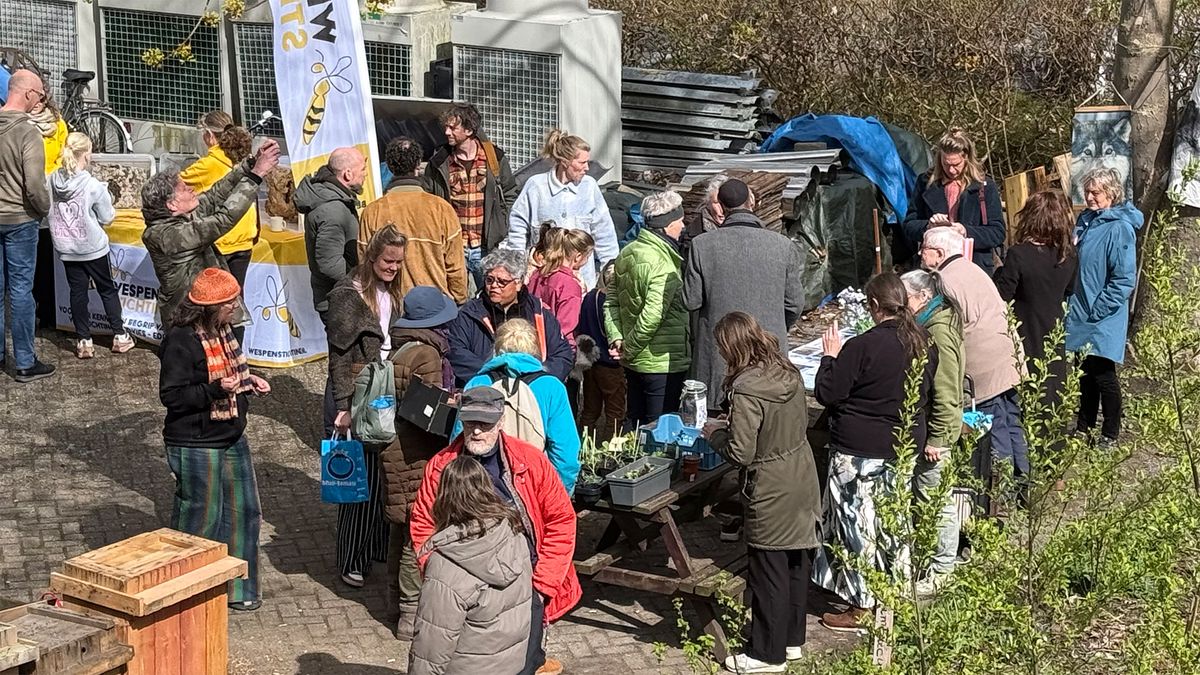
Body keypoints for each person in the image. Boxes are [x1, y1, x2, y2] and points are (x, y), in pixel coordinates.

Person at [410, 386, 582, 675]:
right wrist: (438, 572)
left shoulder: (530, 461)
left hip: (523, 586)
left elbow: (562, 520)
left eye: (485, 424)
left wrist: (542, 585)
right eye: (470, 423)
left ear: (501, 421)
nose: (476, 431)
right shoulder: (441, 467)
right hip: (463, 588)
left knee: (525, 664)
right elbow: (422, 524)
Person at [811, 273, 935, 631]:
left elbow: (828, 393)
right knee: (892, 522)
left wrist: (829, 358)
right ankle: (894, 594)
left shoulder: (863, 346)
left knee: (856, 525)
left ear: (874, 306)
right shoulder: (925, 342)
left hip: (860, 448)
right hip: (903, 444)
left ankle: (861, 604)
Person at [701, 312, 821, 673]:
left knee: (768, 568)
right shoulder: (786, 371)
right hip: (802, 473)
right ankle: (791, 639)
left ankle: (767, 655)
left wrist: (714, 433)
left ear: (731, 348)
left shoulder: (747, 386)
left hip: (771, 485)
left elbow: (742, 452)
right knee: (796, 561)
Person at [158, 268, 269, 611]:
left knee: (244, 511)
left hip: (231, 433)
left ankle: (238, 589)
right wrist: (213, 390)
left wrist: (251, 382)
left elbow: (233, 373)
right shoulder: (181, 340)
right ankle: (188, 593)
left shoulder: (225, 330)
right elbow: (172, 396)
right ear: (210, 307)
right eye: (229, 302)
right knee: (201, 517)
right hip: (195, 440)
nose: (235, 306)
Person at [325, 225, 408, 588]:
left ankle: (374, 549)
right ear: (372, 256)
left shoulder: (392, 289)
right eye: (388, 261)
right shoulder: (348, 295)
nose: (393, 267)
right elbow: (338, 359)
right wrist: (342, 408)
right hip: (358, 392)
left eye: (399, 262)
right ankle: (351, 559)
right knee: (359, 482)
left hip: (384, 389)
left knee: (382, 476)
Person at [379, 285, 460, 640]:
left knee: (400, 528)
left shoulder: (401, 348)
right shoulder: (426, 355)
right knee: (419, 533)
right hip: (416, 455)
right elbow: (426, 413)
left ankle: (393, 603)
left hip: (393, 451)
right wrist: (453, 406)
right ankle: (411, 618)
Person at [920, 226, 1028, 484]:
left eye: (923, 249)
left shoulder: (943, 280)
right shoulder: (972, 268)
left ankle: (999, 493)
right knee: (1012, 422)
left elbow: (946, 327)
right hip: (1009, 355)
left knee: (993, 429)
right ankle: (1024, 481)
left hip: (984, 365)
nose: (920, 255)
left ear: (938, 253)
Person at [683, 178, 803, 409]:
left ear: (722, 207)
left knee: (717, 427)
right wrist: (775, 327)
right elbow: (795, 304)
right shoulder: (782, 245)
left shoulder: (702, 245)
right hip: (769, 354)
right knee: (768, 425)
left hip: (720, 355)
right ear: (752, 203)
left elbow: (691, 300)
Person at [408, 456, 533, 675]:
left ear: (444, 496)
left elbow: (432, 645)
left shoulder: (446, 564)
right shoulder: (515, 535)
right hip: (510, 663)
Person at [141, 139, 280, 328]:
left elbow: (215, 195)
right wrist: (257, 175)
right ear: (172, 204)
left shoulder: (178, 218)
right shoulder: (167, 236)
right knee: (200, 357)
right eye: (184, 188)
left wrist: (250, 164)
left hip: (206, 313)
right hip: (189, 321)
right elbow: (223, 220)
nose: (191, 188)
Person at [455, 319, 581, 494]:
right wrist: (561, 493)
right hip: (532, 487)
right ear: (535, 350)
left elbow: (458, 440)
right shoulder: (551, 387)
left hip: (481, 487)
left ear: (497, 349)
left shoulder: (477, 383)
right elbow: (565, 451)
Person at [900, 269, 966, 594]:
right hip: (932, 429)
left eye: (905, 298)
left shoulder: (937, 331)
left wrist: (939, 437)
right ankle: (930, 562)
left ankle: (942, 571)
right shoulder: (934, 320)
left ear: (923, 297)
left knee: (935, 499)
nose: (901, 305)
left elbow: (947, 387)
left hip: (936, 435)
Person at [1066, 168, 1141, 448]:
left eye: (1095, 192)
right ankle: (1084, 426)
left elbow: (1123, 279)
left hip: (1102, 314)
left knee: (1104, 376)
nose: (1089, 197)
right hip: (1081, 309)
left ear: (1111, 194)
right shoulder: (1086, 221)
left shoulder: (1119, 227)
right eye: (1087, 191)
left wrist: (1098, 309)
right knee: (1084, 374)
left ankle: (1110, 432)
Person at [605, 191, 692, 429]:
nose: (683, 227)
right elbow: (652, 316)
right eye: (679, 222)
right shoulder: (665, 265)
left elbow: (611, 300)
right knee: (660, 429)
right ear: (666, 226)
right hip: (663, 362)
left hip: (633, 362)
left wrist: (617, 339)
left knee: (634, 421)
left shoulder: (627, 252)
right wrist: (629, 349)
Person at [47, 132, 135, 358]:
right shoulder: (93, 185)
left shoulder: (52, 179)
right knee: (107, 289)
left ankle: (84, 341)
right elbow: (107, 217)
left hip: (66, 247)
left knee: (77, 293)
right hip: (93, 247)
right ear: (86, 155)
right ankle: (119, 335)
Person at [993, 189, 1078, 424]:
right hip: (1054, 327)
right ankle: (1053, 444)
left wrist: (999, 272)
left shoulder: (1019, 254)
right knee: (1053, 387)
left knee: (1026, 387)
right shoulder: (1068, 254)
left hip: (1025, 329)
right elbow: (1070, 289)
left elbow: (1003, 294)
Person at [505, 129, 619, 290]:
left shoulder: (589, 187)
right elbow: (517, 229)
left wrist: (611, 271)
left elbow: (604, 232)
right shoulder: (536, 186)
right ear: (565, 162)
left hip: (581, 283)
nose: (587, 167)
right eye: (582, 162)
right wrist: (516, 270)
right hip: (542, 281)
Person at [359, 137, 468, 303]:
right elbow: (456, 266)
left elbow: (364, 262)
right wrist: (459, 300)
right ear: (418, 164)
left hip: (390, 305)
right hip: (436, 306)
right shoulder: (441, 209)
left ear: (389, 166)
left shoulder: (372, 212)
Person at [447, 248, 574, 386]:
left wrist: (539, 379)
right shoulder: (469, 313)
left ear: (518, 283)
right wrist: (494, 377)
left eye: (502, 282)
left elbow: (562, 354)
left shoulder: (539, 312)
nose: (494, 286)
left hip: (532, 392)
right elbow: (456, 352)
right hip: (486, 391)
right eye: (489, 280)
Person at [425, 102, 518, 290]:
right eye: (446, 127)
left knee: (490, 300)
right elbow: (427, 198)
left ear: (468, 130)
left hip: (486, 247)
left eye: (453, 128)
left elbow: (510, 193)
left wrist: (502, 225)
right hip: (452, 248)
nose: (447, 132)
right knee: (453, 301)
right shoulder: (439, 161)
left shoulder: (494, 159)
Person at [0, 69, 53, 381]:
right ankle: (24, 360)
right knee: (20, 290)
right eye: (41, 95)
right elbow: (34, 186)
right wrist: (44, 210)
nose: (41, 100)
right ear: (29, 94)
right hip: (20, 220)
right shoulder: (27, 133)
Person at [902, 128, 1005, 274]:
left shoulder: (984, 187)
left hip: (974, 268)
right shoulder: (925, 183)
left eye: (956, 165)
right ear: (939, 159)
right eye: (946, 164)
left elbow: (998, 232)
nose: (951, 170)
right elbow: (909, 225)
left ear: (967, 159)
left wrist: (965, 231)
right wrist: (929, 226)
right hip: (935, 269)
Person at [179, 112, 257, 293]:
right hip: (245, 238)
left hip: (220, 241)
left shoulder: (208, 164)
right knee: (236, 298)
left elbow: (173, 186)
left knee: (215, 300)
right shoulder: (243, 157)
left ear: (210, 136)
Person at [296, 147, 367, 320]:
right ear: (347, 174)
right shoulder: (333, 210)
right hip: (340, 300)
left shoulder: (334, 199)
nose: (365, 174)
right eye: (363, 170)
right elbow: (330, 265)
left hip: (339, 297)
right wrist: (362, 280)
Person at [29, 94, 68, 331]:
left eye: (42, 98)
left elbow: (65, 154)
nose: (38, 103)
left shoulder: (58, 123)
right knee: (35, 260)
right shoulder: (21, 124)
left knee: (49, 257)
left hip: (54, 193)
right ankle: (41, 310)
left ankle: (52, 311)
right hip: (31, 196)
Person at [577, 260, 625, 444]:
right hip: (612, 364)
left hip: (591, 362)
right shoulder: (614, 301)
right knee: (615, 413)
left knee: (590, 410)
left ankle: (583, 446)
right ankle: (610, 451)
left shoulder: (590, 297)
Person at [526, 221, 595, 348]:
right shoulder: (570, 286)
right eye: (588, 257)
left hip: (531, 340)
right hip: (557, 348)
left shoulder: (537, 274)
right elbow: (566, 327)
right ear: (578, 256)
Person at [683, 174, 729, 243]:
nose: (722, 210)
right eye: (716, 203)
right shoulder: (693, 233)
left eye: (725, 202)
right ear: (708, 203)